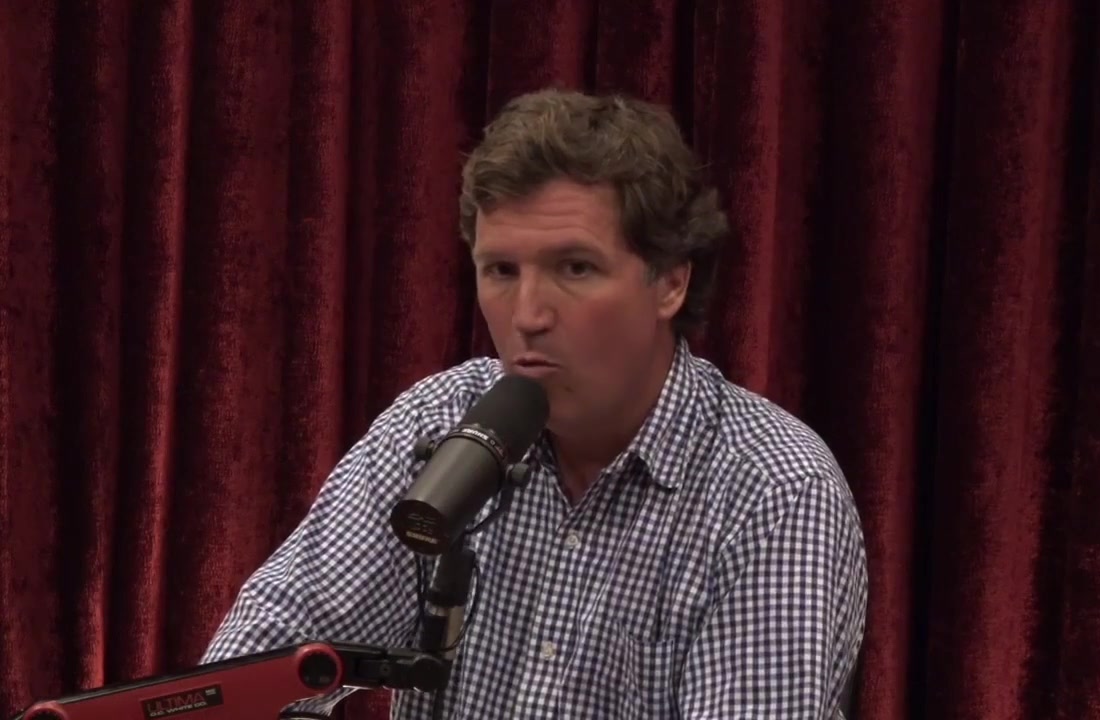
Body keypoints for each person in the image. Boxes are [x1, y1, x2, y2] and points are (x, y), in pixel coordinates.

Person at [202, 87, 869, 719]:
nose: (527, 315)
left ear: (670, 282)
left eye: (575, 268)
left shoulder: (774, 487)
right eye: (501, 271)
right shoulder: (438, 423)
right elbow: (246, 681)